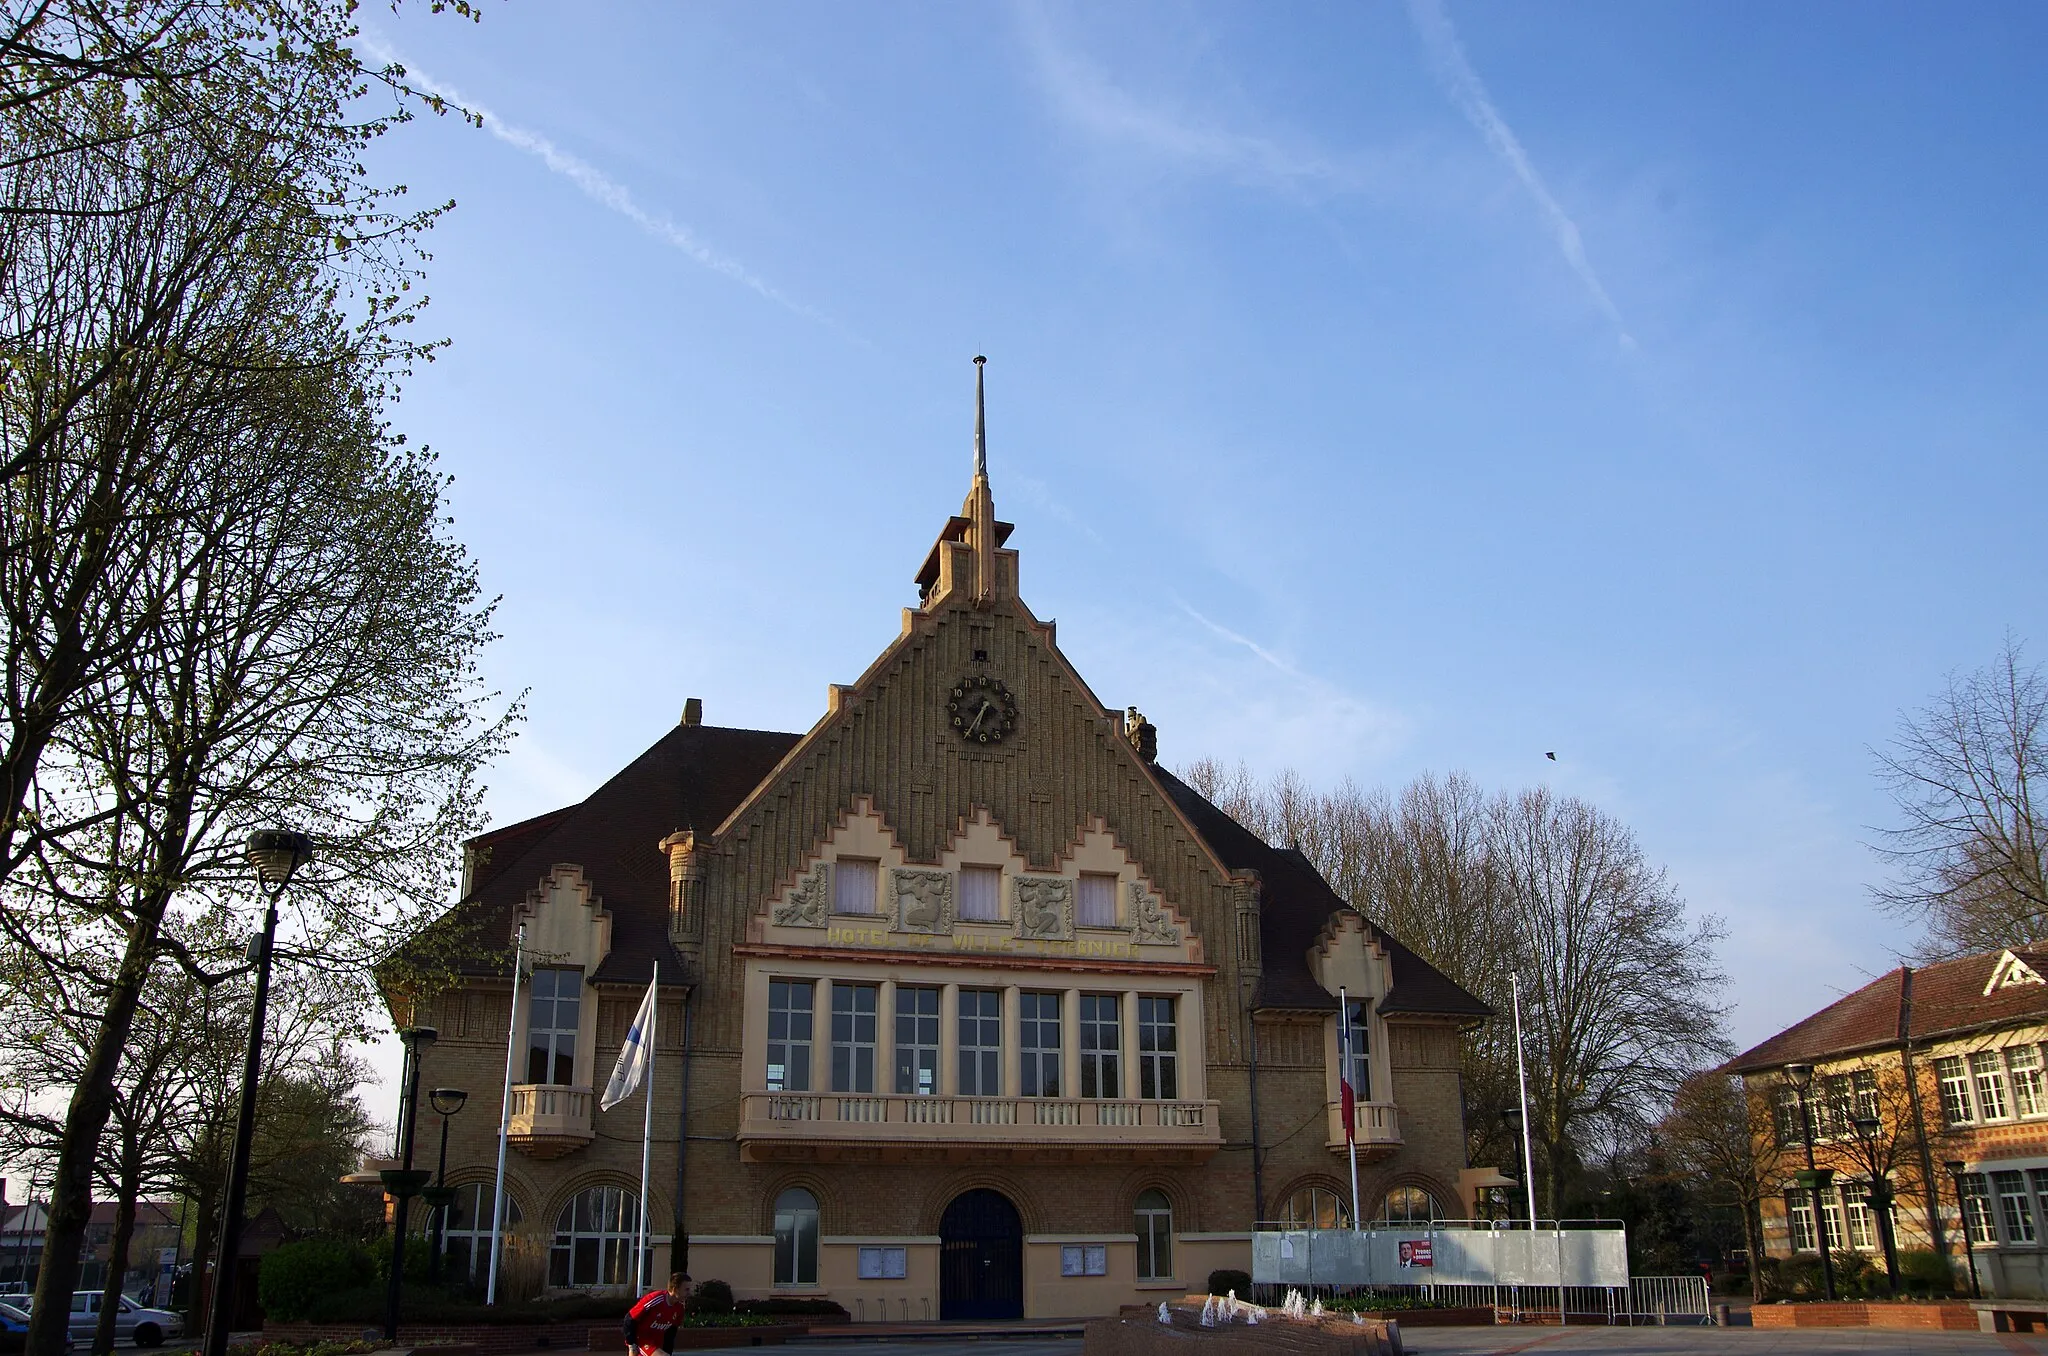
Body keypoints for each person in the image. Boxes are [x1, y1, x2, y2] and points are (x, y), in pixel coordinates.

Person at [623, 1272, 692, 1356]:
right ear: (675, 1289)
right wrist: (632, 1345)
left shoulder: (679, 1308)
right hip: (641, 1341)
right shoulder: (656, 1299)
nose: (689, 1293)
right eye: (686, 1289)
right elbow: (629, 1318)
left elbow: (671, 1333)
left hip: (656, 1344)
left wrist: (667, 1351)